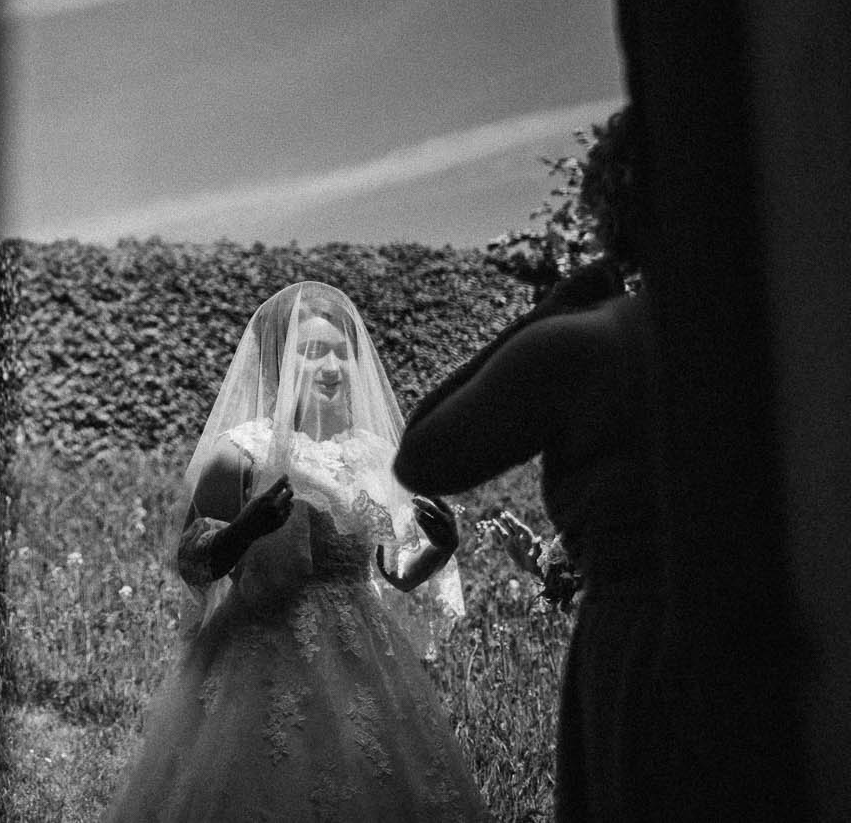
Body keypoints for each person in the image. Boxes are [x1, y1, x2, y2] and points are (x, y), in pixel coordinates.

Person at [102, 281, 487, 822]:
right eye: (312, 352)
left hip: (362, 654)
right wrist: (244, 531)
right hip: (259, 656)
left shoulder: (376, 456)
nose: (331, 367)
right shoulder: (241, 453)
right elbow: (193, 562)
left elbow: (393, 571)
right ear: (280, 365)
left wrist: (441, 548)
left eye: (341, 353)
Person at [393, 106, 664, 821]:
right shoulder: (799, 325)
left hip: (647, 654)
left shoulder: (588, 342)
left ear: (614, 207)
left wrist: (551, 311)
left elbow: (423, 453)